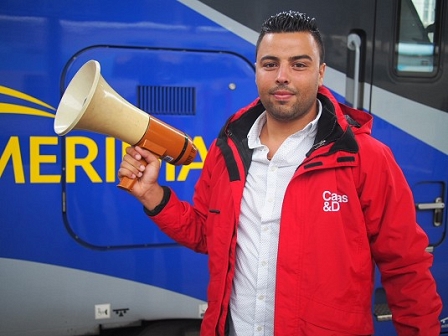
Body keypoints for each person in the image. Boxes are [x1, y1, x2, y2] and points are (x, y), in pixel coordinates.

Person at [118, 10, 442, 336]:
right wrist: (151, 194)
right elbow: (206, 233)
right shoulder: (228, 148)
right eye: (270, 64)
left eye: (299, 64)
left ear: (321, 73)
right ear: (257, 70)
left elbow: (406, 268)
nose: (282, 76)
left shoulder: (365, 158)